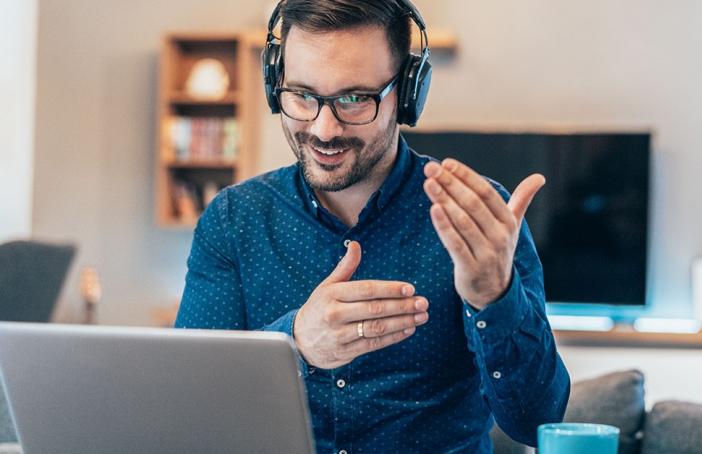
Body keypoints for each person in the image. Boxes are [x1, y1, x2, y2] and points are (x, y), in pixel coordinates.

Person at [175, 0, 570, 451]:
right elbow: (189, 405)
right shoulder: (233, 220)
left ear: (406, 93)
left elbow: (537, 421)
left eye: (353, 99)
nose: (323, 129)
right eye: (302, 95)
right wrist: (293, 343)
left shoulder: (479, 219)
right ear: (274, 86)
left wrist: (494, 296)